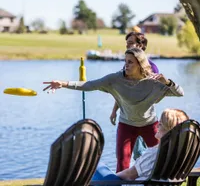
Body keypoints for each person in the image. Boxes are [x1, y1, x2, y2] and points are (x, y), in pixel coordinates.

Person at [43, 47, 184, 172]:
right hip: (127, 125)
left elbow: (180, 92)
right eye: (125, 61)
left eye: (130, 62)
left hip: (149, 125)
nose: (126, 65)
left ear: (140, 64)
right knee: (122, 163)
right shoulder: (115, 79)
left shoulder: (153, 83)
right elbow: (89, 85)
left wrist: (167, 82)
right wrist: (63, 83)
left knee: (160, 160)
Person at [92, 108, 189, 184]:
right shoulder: (181, 153)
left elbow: (129, 176)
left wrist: (112, 176)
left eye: (161, 124)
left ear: (169, 131)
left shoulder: (155, 153)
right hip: (149, 181)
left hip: (134, 184)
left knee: (96, 165)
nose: (157, 126)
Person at [110, 31, 159, 126]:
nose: (127, 45)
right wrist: (114, 111)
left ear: (140, 46)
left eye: (131, 43)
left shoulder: (152, 68)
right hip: (127, 120)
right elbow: (121, 91)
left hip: (146, 121)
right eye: (127, 43)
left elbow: (157, 96)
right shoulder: (127, 67)